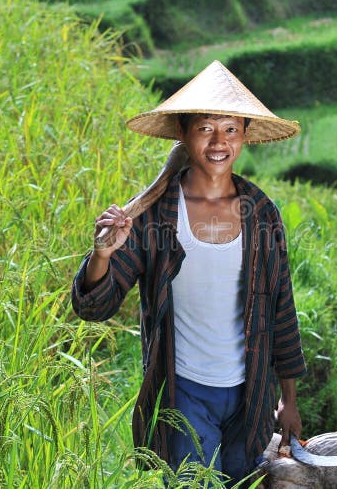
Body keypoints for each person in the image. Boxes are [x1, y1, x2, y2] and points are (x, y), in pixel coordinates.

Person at [71, 60, 306, 486]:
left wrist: (288, 400)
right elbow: (94, 306)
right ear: (183, 133)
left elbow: (281, 308)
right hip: (183, 394)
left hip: (248, 396)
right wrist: (102, 254)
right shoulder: (156, 216)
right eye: (205, 129)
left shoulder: (261, 213)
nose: (219, 142)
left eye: (231, 129)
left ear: (244, 135)